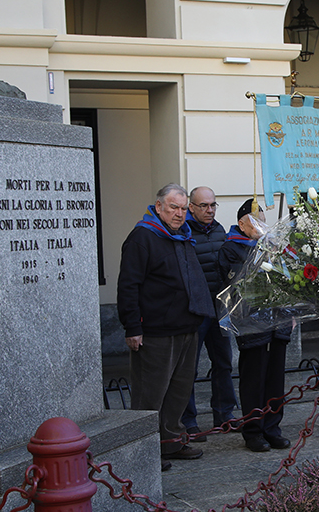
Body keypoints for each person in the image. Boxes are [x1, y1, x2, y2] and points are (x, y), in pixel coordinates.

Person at [117, 183, 214, 464]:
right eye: (174, 207)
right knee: (151, 396)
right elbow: (128, 286)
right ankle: (144, 453)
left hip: (186, 328)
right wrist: (132, 327)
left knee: (178, 393)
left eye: (184, 209)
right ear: (159, 207)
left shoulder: (182, 236)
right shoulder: (142, 238)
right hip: (155, 333)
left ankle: (171, 443)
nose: (180, 214)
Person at [218, 199, 292, 452]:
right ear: (242, 223)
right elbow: (238, 283)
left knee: (275, 379)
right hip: (251, 324)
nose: (262, 224)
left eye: (263, 219)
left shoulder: (272, 245)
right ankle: (253, 431)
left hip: (277, 322)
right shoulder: (231, 248)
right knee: (253, 379)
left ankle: (273, 429)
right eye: (256, 220)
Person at [180, 186, 238, 439]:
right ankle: (188, 421)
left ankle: (225, 415)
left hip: (219, 308)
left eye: (213, 205)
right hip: (195, 311)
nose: (209, 210)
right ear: (191, 207)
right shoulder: (183, 232)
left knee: (223, 362)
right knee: (188, 368)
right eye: (204, 205)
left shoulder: (219, 231)